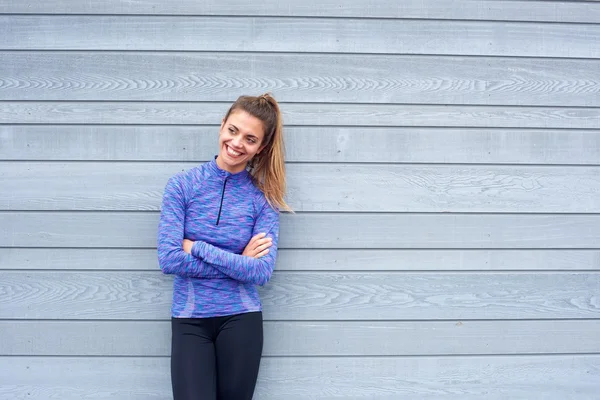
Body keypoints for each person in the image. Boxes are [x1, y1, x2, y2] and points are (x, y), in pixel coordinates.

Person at [157, 93, 291, 400]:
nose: (237, 143)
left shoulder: (264, 199)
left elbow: (260, 271)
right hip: (190, 321)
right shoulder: (182, 186)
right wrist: (237, 261)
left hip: (241, 319)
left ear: (261, 147)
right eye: (232, 130)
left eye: (250, 138)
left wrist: (198, 247)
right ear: (222, 126)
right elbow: (169, 259)